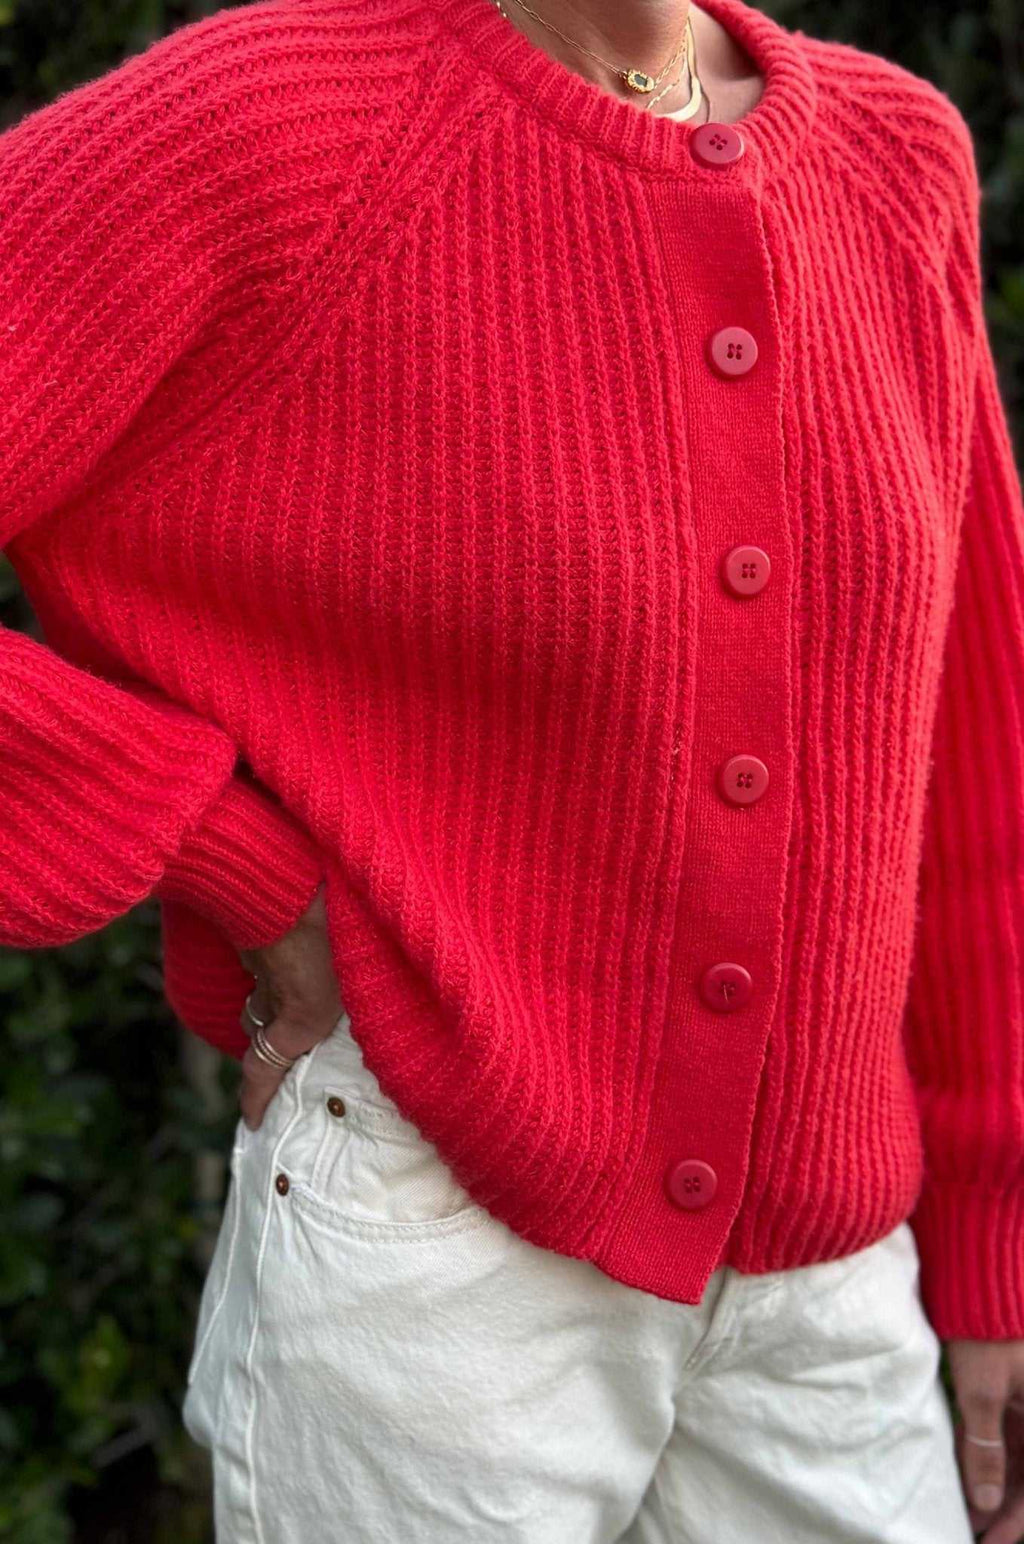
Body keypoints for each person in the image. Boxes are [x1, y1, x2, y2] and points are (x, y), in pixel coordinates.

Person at [2, 0, 1023, 1536]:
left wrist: (996, 1240)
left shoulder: (895, 160)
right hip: (432, 1245)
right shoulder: (268, 131)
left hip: (830, 1301)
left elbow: (967, 733)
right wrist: (225, 854)